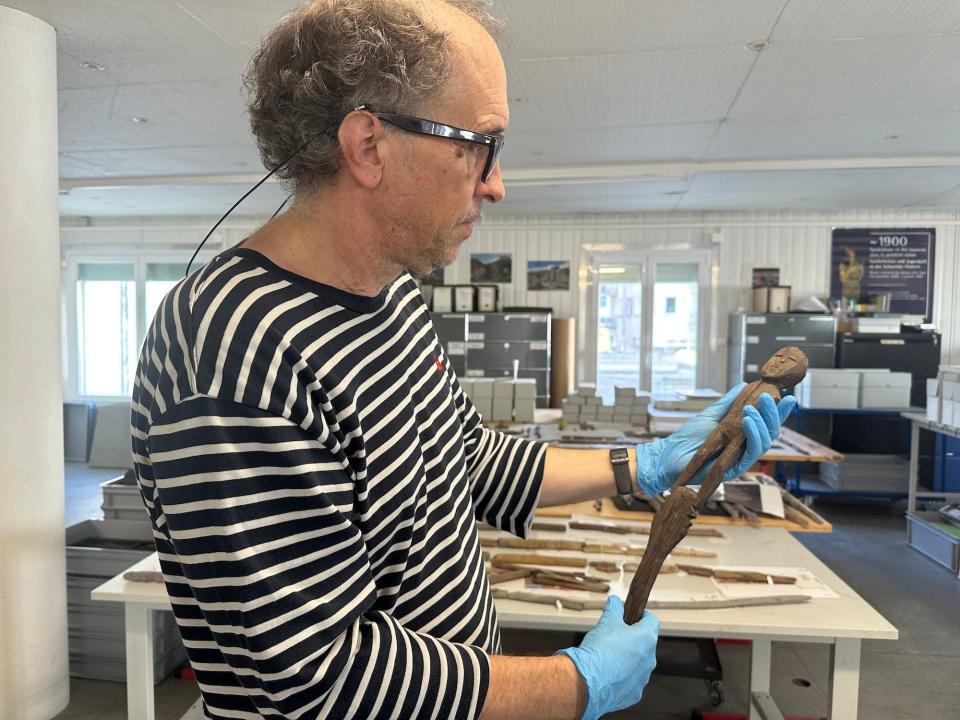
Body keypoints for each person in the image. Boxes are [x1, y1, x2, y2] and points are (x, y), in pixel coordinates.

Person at [130, 1, 795, 718]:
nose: (496, 183)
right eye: (482, 143)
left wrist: (644, 464)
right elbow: (318, 681)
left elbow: (462, 460)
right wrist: (575, 685)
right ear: (369, 146)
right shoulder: (233, 348)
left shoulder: (395, 299)